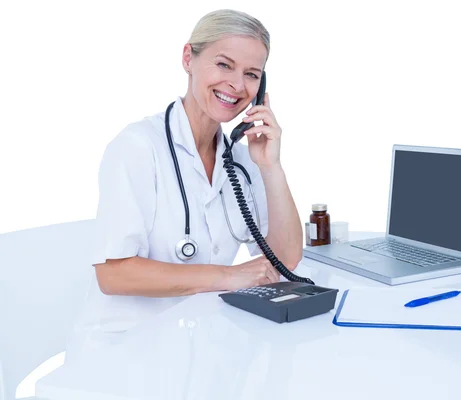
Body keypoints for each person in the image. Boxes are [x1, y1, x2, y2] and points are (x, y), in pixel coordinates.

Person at [68, 9, 303, 352]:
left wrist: (271, 166)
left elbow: (285, 258)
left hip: (197, 345)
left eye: (251, 74)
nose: (237, 85)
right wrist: (227, 277)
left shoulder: (242, 158)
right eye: (224, 65)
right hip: (123, 349)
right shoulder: (137, 146)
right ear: (188, 58)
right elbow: (113, 274)